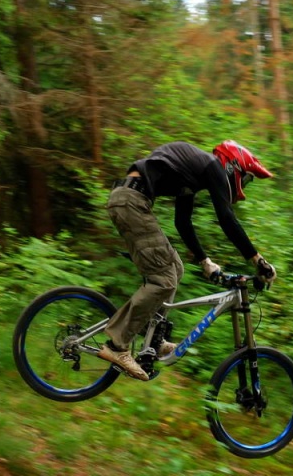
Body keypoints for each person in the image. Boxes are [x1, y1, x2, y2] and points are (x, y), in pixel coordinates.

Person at [98, 140, 277, 381]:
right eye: (244, 179)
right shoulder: (212, 166)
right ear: (233, 167)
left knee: (175, 268)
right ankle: (118, 345)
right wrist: (258, 260)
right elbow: (226, 218)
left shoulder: (194, 173)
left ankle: (154, 339)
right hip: (132, 202)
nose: (241, 186)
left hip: (128, 200)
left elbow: (182, 222)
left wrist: (205, 261)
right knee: (163, 279)